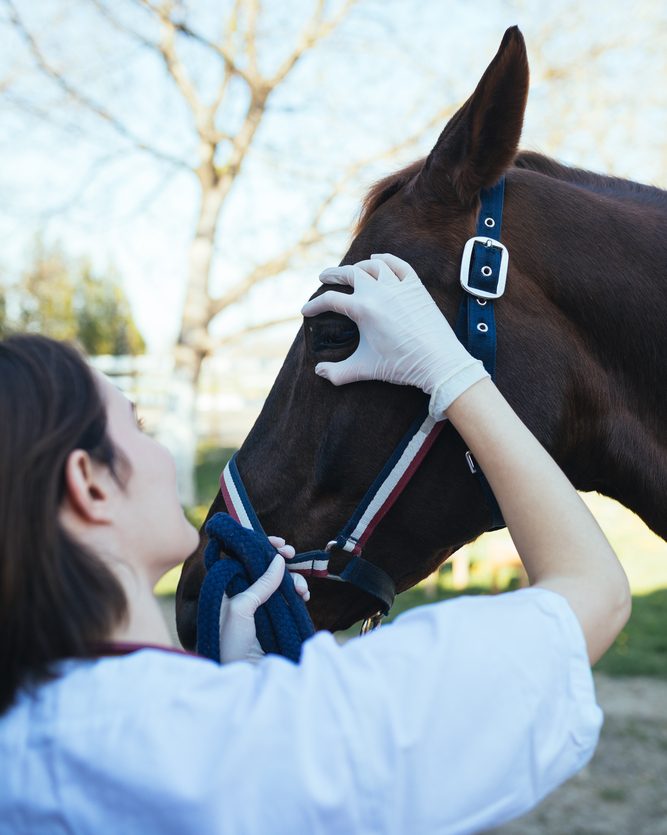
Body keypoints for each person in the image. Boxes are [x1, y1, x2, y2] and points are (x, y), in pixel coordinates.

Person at [0, 254, 630, 835]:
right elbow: (592, 593)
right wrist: (451, 372)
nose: (159, 449)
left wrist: (235, 682)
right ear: (89, 483)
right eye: (137, 426)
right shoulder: (283, 743)